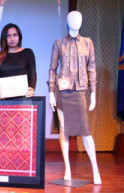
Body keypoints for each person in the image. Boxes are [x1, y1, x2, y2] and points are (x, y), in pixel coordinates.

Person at [47, 11, 102, 185]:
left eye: (79, 18)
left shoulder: (88, 42)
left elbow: (91, 68)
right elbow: (52, 69)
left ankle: (95, 170)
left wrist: (93, 92)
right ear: (67, 21)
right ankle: (67, 168)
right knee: (64, 129)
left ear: (82, 21)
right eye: (72, 18)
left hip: (80, 91)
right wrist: (50, 92)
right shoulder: (59, 43)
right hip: (62, 92)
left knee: (86, 131)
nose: (75, 21)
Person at [0, 23, 36, 98]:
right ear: (4, 38)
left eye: (15, 35)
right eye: (8, 36)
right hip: (4, 99)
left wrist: (31, 90)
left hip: (24, 99)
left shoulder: (28, 53)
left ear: (19, 37)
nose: (12, 39)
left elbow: (33, 76)